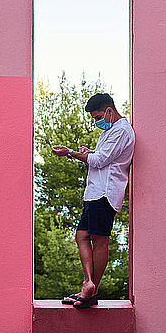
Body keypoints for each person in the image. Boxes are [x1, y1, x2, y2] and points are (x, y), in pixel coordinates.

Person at [52, 92, 135, 309]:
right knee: (82, 235)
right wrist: (89, 152)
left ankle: (90, 289)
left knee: (99, 240)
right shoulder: (111, 131)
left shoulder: (122, 130)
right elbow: (103, 156)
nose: (97, 122)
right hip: (94, 192)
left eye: (98, 117)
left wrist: (70, 153)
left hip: (106, 192)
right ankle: (88, 285)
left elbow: (100, 161)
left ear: (109, 111)